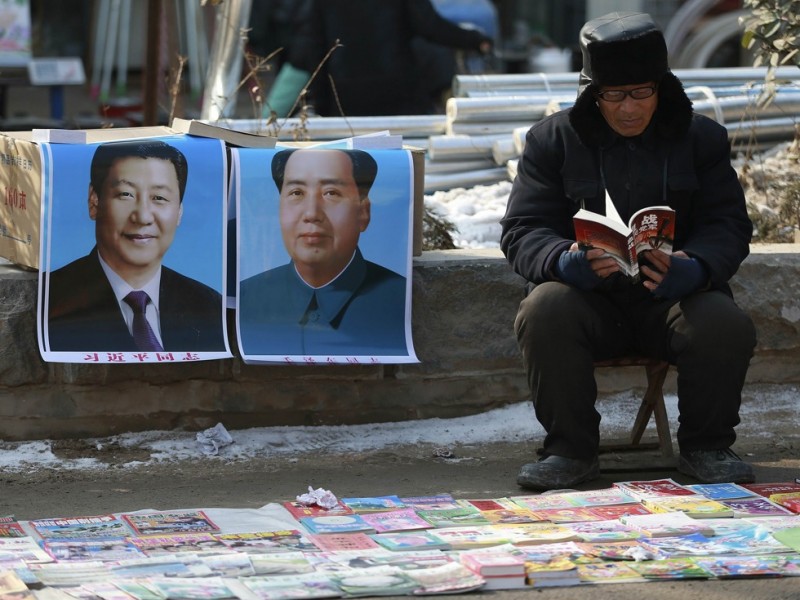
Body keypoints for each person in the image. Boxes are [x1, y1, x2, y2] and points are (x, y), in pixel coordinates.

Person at [500, 12, 757, 490]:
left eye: (641, 92)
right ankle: (569, 453)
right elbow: (522, 229)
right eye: (612, 95)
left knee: (724, 323)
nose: (628, 109)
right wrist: (562, 261)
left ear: (662, 86)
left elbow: (728, 225)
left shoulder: (701, 139)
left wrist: (696, 266)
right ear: (590, 92)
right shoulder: (551, 141)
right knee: (544, 308)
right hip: (590, 303)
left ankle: (707, 448)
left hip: (673, 300)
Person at [46, 140, 225, 353]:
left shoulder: (209, 307)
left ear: (179, 213)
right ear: (94, 202)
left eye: (159, 198)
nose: (142, 216)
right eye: (126, 194)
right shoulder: (52, 298)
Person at [239, 148, 407, 357]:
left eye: (331, 193)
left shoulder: (399, 299)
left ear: (363, 213)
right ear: (279, 209)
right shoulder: (246, 299)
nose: (311, 214)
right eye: (296, 193)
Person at [283, 0, 493, 117]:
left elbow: (314, 46)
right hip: (396, 89)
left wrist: (320, 102)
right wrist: (474, 40)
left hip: (344, 92)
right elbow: (429, 25)